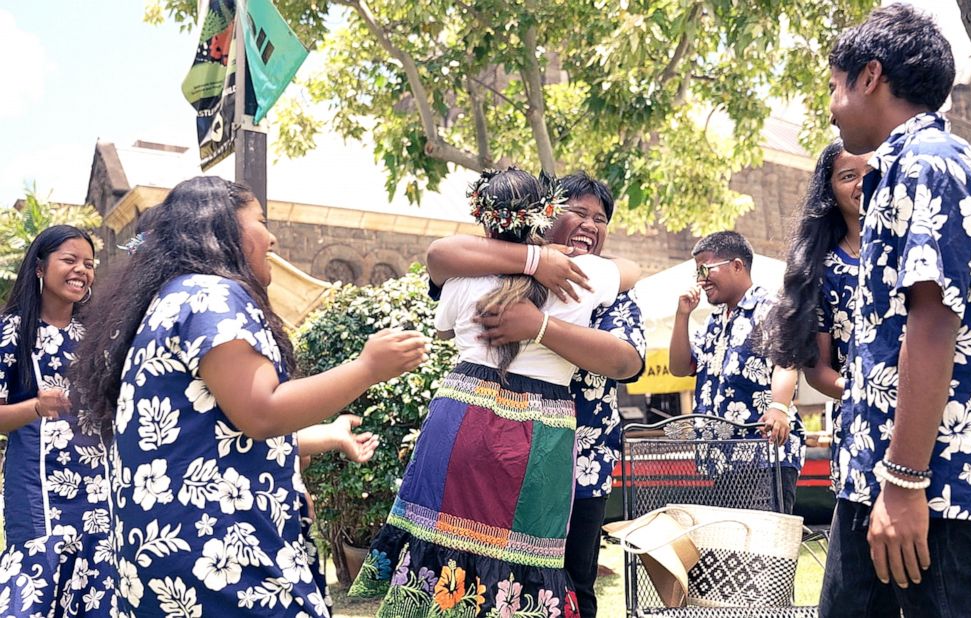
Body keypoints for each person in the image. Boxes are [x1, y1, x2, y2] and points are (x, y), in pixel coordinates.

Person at [72, 177, 428, 616]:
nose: (272, 236)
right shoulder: (211, 295)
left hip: (173, 560)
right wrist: (366, 368)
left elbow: (204, 436)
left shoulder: (168, 300)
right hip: (220, 562)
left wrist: (324, 438)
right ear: (218, 229)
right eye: (260, 221)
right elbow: (261, 412)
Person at [349, 167, 638, 617]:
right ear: (546, 215)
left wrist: (535, 316)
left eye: (600, 220)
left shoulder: (466, 277)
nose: (590, 226)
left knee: (443, 546)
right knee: (527, 561)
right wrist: (536, 262)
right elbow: (631, 270)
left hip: (465, 415)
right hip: (541, 431)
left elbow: (443, 319)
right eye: (577, 213)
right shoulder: (589, 275)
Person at [818, 5, 971, 617]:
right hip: (875, 475)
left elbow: (934, 322)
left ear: (869, 76)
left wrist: (905, 484)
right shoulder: (895, 170)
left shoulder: (931, 164)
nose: (831, 106)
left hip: (930, 488)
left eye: (834, 87)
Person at [0, 225, 114, 615]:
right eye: (69, 260)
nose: (81, 270)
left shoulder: (95, 333)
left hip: (98, 483)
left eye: (89, 263)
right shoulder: (12, 331)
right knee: (40, 582)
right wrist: (34, 406)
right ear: (39, 267)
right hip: (38, 485)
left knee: (97, 583)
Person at [669, 231, 806, 513]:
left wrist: (779, 407)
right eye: (697, 271)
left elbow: (786, 360)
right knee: (733, 551)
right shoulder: (712, 322)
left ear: (737, 265)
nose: (700, 279)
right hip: (722, 459)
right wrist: (682, 316)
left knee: (764, 550)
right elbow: (680, 367)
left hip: (765, 455)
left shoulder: (770, 308)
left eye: (705, 269)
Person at [761, 140, 871, 487]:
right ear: (831, 191)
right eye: (848, 176)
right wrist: (866, 395)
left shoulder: (914, 248)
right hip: (860, 422)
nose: (862, 184)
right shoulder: (822, 270)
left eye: (871, 172)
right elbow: (818, 370)